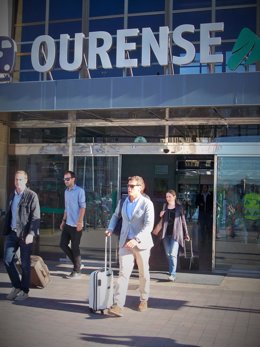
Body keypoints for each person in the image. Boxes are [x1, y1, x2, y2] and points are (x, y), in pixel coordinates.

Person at [105, 175, 154, 317]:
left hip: (142, 244)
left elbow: (148, 225)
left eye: (132, 186)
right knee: (123, 273)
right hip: (125, 242)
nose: (129, 188)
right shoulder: (123, 202)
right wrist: (110, 228)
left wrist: (137, 239)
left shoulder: (146, 203)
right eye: (128, 186)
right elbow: (115, 216)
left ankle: (144, 299)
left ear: (140, 188)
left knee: (143, 273)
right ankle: (118, 305)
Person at [3, 170, 40, 301]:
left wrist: (31, 233)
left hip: (25, 235)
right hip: (12, 233)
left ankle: (24, 290)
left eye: (20, 180)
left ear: (25, 180)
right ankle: (16, 286)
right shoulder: (12, 194)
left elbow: (36, 217)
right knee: (7, 260)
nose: (17, 182)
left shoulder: (31, 196)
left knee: (24, 264)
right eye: (16, 180)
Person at [159, 190, 190, 282]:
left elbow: (183, 221)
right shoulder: (165, 206)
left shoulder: (179, 208)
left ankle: (173, 274)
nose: (167, 198)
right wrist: (161, 215)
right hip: (166, 233)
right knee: (168, 254)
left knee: (172, 254)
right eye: (166, 196)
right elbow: (162, 221)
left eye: (169, 196)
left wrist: (186, 234)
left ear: (174, 197)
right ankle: (171, 269)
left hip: (176, 234)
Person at [59, 170, 86, 278]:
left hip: (76, 225)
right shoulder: (66, 192)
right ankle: (78, 264)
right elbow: (66, 208)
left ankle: (76, 270)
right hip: (68, 224)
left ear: (73, 179)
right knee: (62, 244)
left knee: (75, 247)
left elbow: (83, 207)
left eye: (67, 179)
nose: (65, 181)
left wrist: (80, 222)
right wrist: (63, 221)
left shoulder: (80, 191)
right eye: (64, 179)